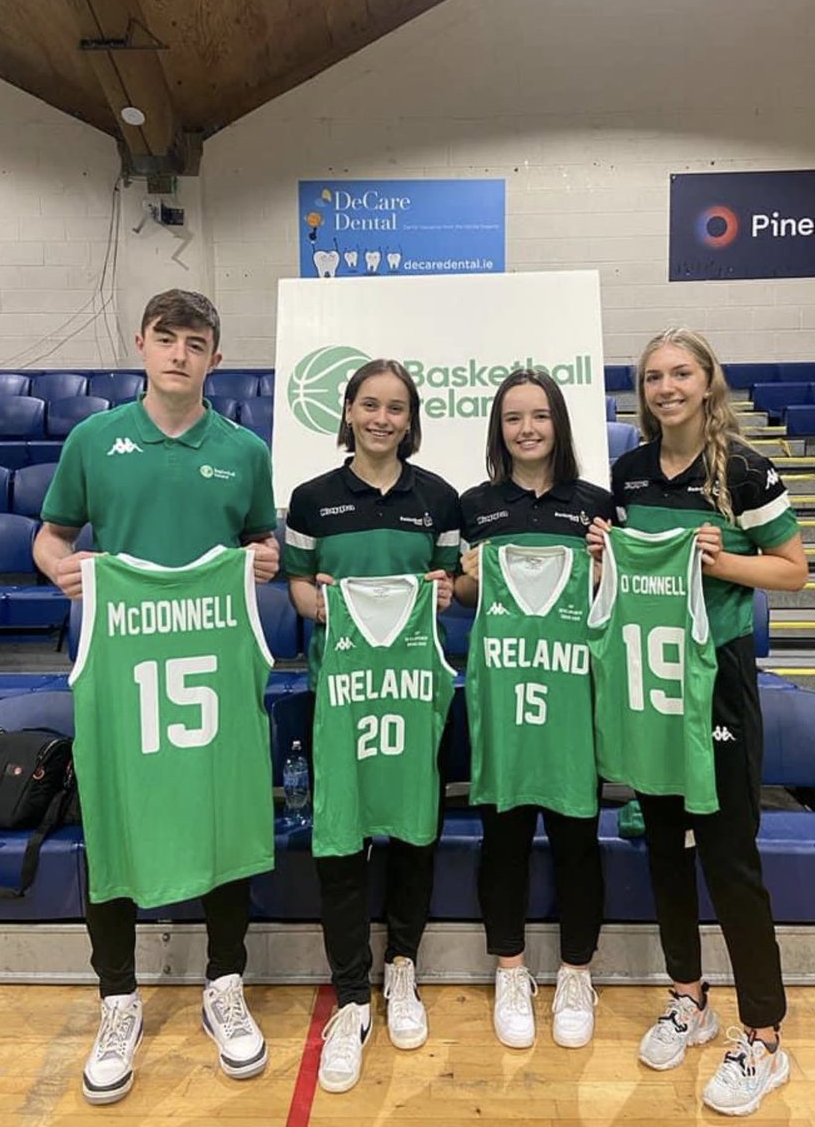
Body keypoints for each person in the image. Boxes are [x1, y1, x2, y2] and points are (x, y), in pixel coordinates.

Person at [33, 289, 280, 1105]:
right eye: (166, 338)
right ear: (141, 344)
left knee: (226, 819)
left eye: (196, 342)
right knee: (114, 826)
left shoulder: (244, 449)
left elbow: (258, 537)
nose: (179, 353)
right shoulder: (93, 440)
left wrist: (265, 557)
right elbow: (53, 535)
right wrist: (55, 566)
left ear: (215, 356)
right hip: (124, 668)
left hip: (209, 668)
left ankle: (224, 985)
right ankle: (118, 999)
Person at [587, 328, 808, 1117]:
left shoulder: (741, 469)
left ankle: (764, 1036)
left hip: (716, 688)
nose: (666, 386)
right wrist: (599, 550)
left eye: (681, 373)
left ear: (709, 381)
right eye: (653, 376)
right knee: (663, 848)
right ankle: (689, 997)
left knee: (727, 856)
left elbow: (793, 569)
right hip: (654, 686)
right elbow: (620, 571)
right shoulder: (629, 471)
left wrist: (722, 563)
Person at [284, 358, 460, 1094]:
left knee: (416, 831)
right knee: (342, 838)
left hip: (414, 693)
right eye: (370, 405)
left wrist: (446, 592)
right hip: (341, 692)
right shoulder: (312, 498)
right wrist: (319, 604)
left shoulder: (439, 498)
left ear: (410, 419)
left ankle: (402, 968)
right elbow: (295, 585)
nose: (383, 418)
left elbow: (454, 585)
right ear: (348, 412)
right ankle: (351, 994)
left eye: (396, 408)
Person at [454, 369, 613, 1051]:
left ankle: (577, 972)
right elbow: (466, 595)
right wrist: (462, 578)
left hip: (573, 698)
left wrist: (608, 568)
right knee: (504, 838)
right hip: (505, 701)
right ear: (499, 429)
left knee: (578, 841)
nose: (527, 428)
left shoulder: (596, 505)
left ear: (558, 425)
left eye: (539, 416)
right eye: (514, 417)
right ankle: (510, 969)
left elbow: (616, 600)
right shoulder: (475, 505)